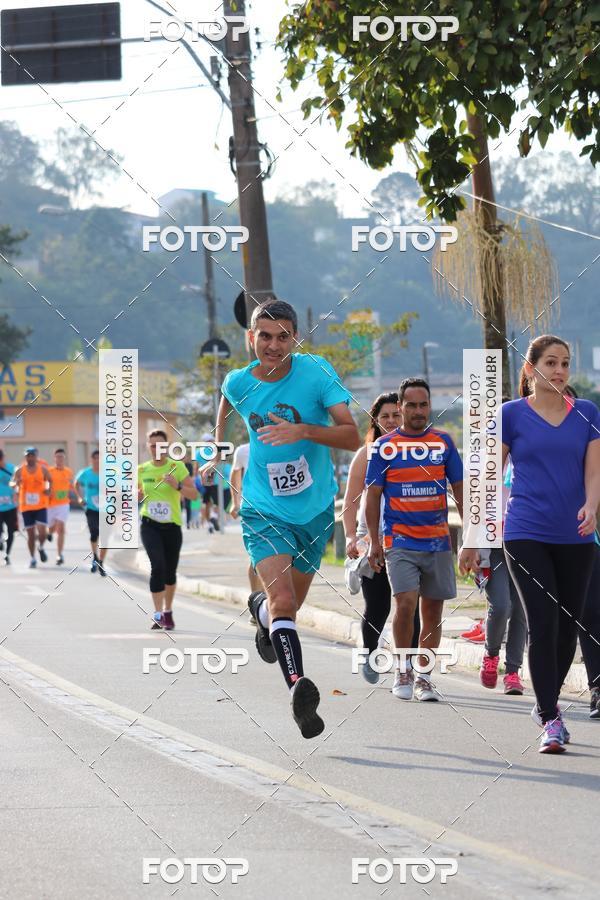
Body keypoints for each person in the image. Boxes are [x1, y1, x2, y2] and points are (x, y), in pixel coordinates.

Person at [202, 298, 360, 738]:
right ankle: (299, 687)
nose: (273, 345)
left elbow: (352, 436)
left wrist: (304, 430)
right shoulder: (238, 381)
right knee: (285, 602)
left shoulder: (316, 372)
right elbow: (225, 404)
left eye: (283, 336)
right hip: (261, 508)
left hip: (313, 510)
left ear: (295, 338)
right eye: (265, 336)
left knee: (286, 608)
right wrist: (218, 447)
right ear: (251, 338)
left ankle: (260, 611)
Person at [473, 335, 599, 753]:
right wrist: (475, 538)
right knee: (543, 622)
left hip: (576, 535)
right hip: (526, 533)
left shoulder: (587, 413)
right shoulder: (510, 415)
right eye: (550, 362)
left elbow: (594, 472)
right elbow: (490, 478)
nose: (560, 370)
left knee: (568, 627)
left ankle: (548, 701)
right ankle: (550, 716)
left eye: (565, 363)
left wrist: (592, 506)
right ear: (530, 369)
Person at [366, 378, 463, 703]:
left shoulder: (444, 443)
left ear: (429, 406)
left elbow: (461, 492)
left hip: (437, 542)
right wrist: (374, 541)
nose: (418, 411)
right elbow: (373, 495)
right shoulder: (385, 447)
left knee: (433, 612)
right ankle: (403, 668)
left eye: (423, 405)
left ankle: (424, 676)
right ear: (401, 407)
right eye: (412, 405)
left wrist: (471, 540)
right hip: (400, 542)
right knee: (405, 604)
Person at [343, 392, 421, 684]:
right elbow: (350, 502)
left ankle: (408, 670)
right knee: (378, 606)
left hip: (408, 539)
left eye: (396, 415)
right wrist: (352, 537)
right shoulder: (367, 453)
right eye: (384, 416)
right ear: (375, 420)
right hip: (371, 539)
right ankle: (370, 651)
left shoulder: (417, 449)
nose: (391, 421)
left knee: (409, 603)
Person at [138, 428, 198, 630]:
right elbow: (135, 494)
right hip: (149, 525)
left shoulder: (177, 467)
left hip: (172, 526)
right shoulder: (142, 470)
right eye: (152, 445)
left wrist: (177, 486)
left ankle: (168, 611)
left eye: (160, 445)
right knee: (157, 566)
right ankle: (157, 614)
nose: (156, 449)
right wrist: (135, 496)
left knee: (170, 572)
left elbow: (194, 495)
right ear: (147, 447)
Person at [230, 442, 263, 595]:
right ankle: (256, 599)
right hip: (253, 509)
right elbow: (234, 474)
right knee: (257, 555)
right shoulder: (243, 451)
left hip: (280, 509)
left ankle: (269, 599)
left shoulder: (282, 444)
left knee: (279, 556)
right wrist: (235, 503)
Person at [12, 447, 52, 568]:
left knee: (42, 532)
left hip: (41, 505)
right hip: (26, 506)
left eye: (32, 455)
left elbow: (50, 480)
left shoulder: (43, 469)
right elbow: (12, 482)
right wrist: (16, 483)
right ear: (25, 457)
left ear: (36, 456)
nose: (30, 458)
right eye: (28, 456)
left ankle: (41, 547)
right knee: (30, 534)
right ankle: (33, 558)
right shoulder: (20, 470)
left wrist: (48, 489)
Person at [75, 450, 107, 576]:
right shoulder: (86, 473)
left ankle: (101, 562)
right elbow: (76, 484)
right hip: (91, 508)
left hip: (106, 509)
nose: (97, 461)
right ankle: (95, 556)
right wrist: (79, 497)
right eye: (95, 458)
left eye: (100, 458)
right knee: (94, 531)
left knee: (105, 538)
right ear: (91, 459)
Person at [47, 448, 75, 565]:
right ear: (54, 458)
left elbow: (71, 486)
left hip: (63, 504)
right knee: (52, 528)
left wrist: (77, 497)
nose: (59, 459)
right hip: (50, 505)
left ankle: (59, 555)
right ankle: (49, 533)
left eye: (61, 457)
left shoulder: (69, 472)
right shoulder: (49, 471)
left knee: (61, 528)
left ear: (64, 458)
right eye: (57, 456)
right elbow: (45, 485)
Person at [0, 449, 18, 565]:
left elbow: (18, 482)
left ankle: (7, 554)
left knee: (11, 532)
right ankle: (1, 540)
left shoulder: (12, 469)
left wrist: (17, 493)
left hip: (11, 507)